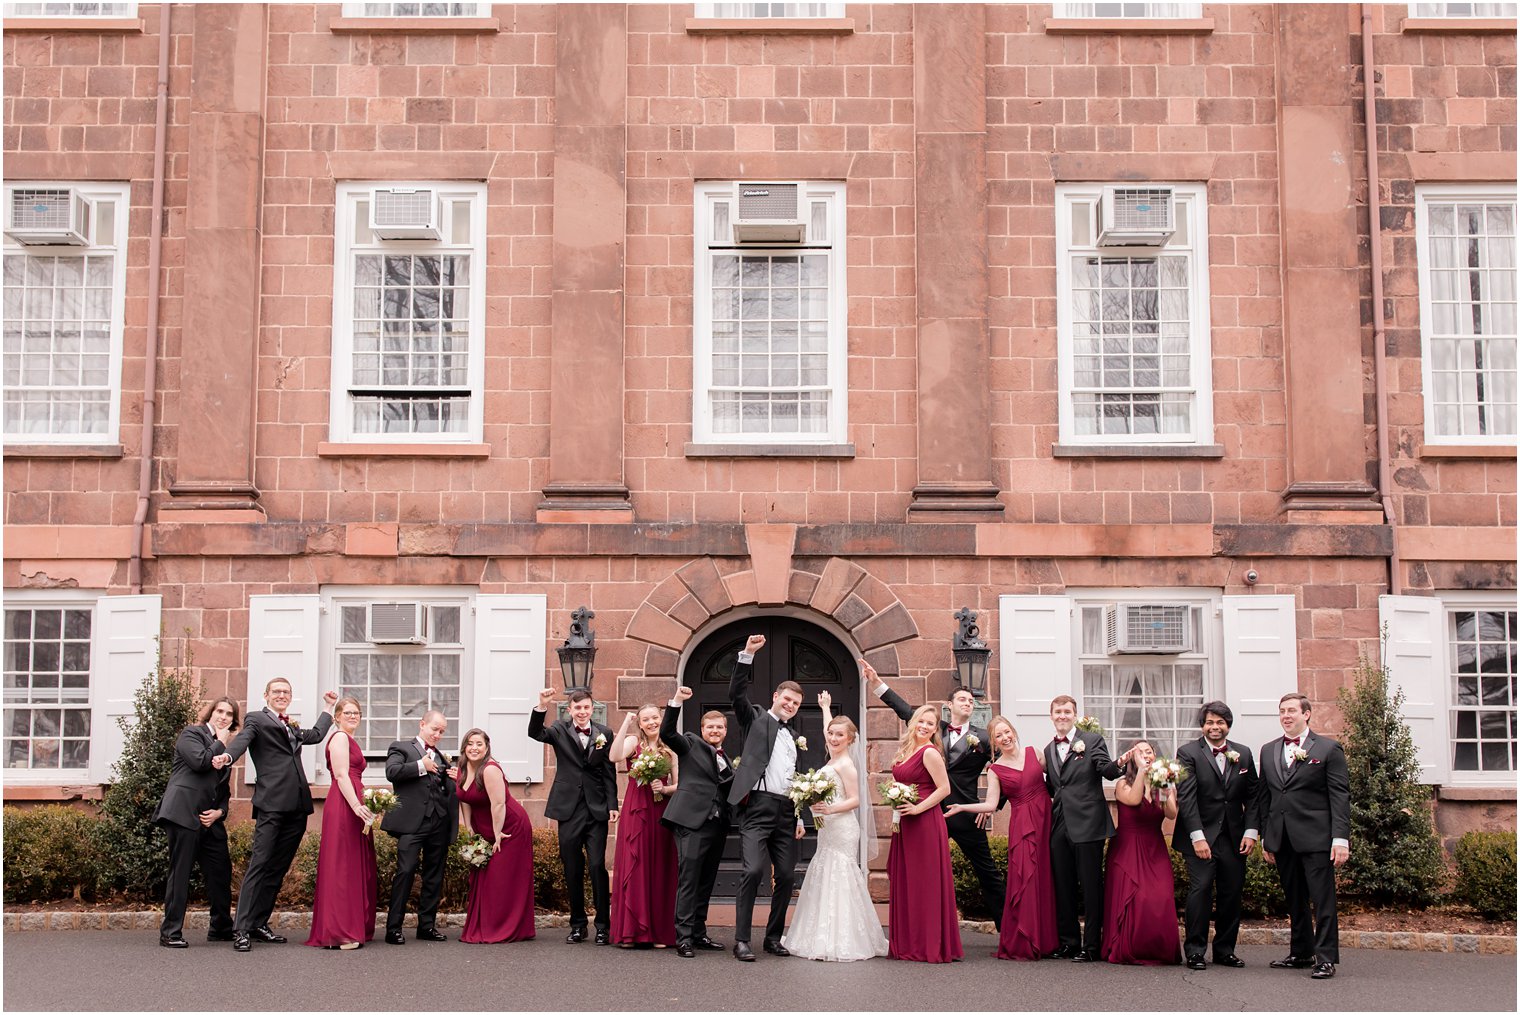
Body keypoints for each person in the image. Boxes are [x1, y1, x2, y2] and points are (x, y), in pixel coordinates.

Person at [869, 661, 1005, 929]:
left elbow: (1006, 769)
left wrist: (993, 805)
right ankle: (926, 929)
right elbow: (904, 708)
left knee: (987, 872)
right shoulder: (933, 727)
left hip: (965, 814)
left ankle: (1007, 931)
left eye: (970, 701)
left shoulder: (984, 738)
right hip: (929, 813)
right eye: (962, 699)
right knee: (925, 873)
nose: (967, 703)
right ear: (950, 705)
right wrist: (876, 684)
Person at [212, 680, 338, 952]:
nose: (282, 695)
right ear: (266, 695)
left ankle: (259, 923)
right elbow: (242, 741)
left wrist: (328, 707)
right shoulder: (257, 719)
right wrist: (227, 757)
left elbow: (316, 735)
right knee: (261, 864)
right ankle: (242, 929)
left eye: (286, 692)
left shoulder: (290, 725)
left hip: (297, 805)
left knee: (279, 868)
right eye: (277, 692)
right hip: (271, 803)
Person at [780, 690, 887, 962]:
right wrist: (825, 708)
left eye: (840, 735)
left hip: (842, 827)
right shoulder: (833, 755)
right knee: (824, 870)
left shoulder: (847, 765)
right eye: (831, 734)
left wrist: (828, 808)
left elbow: (855, 800)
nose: (833, 738)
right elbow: (830, 730)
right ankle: (819, 932)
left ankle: (843, 937)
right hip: (828, 828)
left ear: (850, 739)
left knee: (840, 873)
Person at [1254, 692, 1351, 980]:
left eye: (1292, 710)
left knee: (1322, 900)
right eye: (1282, 711)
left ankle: (1325, 958)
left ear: (1306, 714)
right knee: (1294, 899)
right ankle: (1300, 952)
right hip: (1282, 839)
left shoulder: (1328, 749)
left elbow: (1339, 796)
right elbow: (1264, 798)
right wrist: (1266, 837)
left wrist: (1340, 838)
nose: (1286, 715)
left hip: (1317, 838)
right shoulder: (1268, 750)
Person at [946, 716, 1056, 961]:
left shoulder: (1035, 753)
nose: (1004, 738)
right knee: (1026, 878)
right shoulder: (995, 770)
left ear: (1014, 731)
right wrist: (963, 807)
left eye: (1007, 732)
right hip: (1023, 826)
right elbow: (991, 803)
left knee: (1046, 877)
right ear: (993, 743)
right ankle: (1027, 939)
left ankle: (1049, 940)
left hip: (1046, 819)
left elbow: (1057, 781)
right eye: (998, 736)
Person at [726, 632, 806, 962]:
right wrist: (747, 653)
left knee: (786, 876)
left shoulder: (795, 736)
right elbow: (736, 694)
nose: (790, 705)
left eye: (796, 703)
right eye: (786, 699)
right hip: (757, 808)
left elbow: (795, 779)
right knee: (752, 871)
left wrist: (800, 815)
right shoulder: (756, 718)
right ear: (776, 696)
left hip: (786, 812)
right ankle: (742, 940)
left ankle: (773, 937)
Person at [528, 686, 620, 945]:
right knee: (572, 868)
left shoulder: (605, 734)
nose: (582, 712)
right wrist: (541, 706)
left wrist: (612, 803)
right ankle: (578, 925)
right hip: (568, 809)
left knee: (596, 866)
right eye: (577, 708)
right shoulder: (558, 729)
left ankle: (603, 926)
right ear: (570, 710)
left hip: (596, 809)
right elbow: (535, 733)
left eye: (586, 707)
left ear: (593, 709)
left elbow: (608, 772)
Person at [1173, 701, 1260, 970]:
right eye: (1210, 722)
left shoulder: (1243, 754)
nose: (1215, 727)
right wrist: (1197, 837)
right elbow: (1186, 798)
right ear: (1203, 726)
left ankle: (1225, 950)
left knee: (1231, 893)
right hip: (1200, 836)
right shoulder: (1187, 753)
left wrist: (1251, 831)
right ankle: (1196, 951)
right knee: (1200, 892)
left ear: (1228, 726)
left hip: (1234, 837)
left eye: (1220, 722)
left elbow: (1254, 795)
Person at [153, 696, 238, 948]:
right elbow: (200, 762)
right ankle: (170, 932)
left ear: (234, 721)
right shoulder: (191, 734)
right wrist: (221, 741)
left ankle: (221, 927)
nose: (223, 716)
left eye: (229, 714)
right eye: (219, 711)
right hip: (182, 813)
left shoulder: (225, 752)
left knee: (221, 870)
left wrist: (219, 813)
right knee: (181, 872)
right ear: (210, 714)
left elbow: (223, 793)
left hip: (209, 820)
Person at [1044, 694, 1122, 962]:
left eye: (1067, 711)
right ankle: (1068, 942)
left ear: (1075, 715)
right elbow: (1053, 787)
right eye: (1058, 712)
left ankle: (1091, 946)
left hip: (1088, 824)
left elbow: (1107, 770)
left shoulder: (1092, 741)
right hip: (1059, 825)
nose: (1062, 716)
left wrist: (1121, 763)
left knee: (1090, 887)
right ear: (1051, 715)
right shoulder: (1048, 749)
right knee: (1063, 887)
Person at [659, 686, 734, 958]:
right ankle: (684, 938)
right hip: (691, 821)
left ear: (726, 731)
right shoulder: (690, 743)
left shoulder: (726, 758)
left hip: (717, 824)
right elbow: (667, 733)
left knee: (706, 880)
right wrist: (676, 701)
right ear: (702, 729)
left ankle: (699, 933)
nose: (715, 731)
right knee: (689, 879)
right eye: (711, 727)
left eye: (720, 727)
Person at [886, 704, 963, 963]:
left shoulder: (930, 753)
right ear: (914, 722)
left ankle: (928, 943)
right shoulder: (906, 750)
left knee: (924, 883)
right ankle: (909, 940)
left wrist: (918, 808)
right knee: (907, 880)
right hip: (905, 822)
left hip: (925, 822)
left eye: (931, 724)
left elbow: (944, 789)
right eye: (922, 721)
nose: (925, 726)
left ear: (935, 729)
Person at [381, 710, 459, 945]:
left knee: (434, 876)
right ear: (422, 724)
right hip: (413, 823)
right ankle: (393, 928)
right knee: (405, 872)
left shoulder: (442, 757)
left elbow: (444, 789)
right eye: (434, 729)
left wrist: (453, 779)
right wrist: (420, 765)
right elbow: (391, 772)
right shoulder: (402, 748)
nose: (437, 734)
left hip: (439, 822)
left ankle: (427, 926)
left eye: (442, 731)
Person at [305, 696, 377, 950]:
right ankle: (340, 930)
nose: (353, 716)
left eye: (356, 712)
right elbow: (341, 774)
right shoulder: (339, 738)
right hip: (344, 803)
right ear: (336, 717)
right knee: (343, 864)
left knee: (355, 862)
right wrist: (356, 805)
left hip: (355, 799)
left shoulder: (350, 738)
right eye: (347, 712)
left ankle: (353, 925)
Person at [1102, 740, 1181, 966]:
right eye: (1140, 752)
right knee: (1135, 899)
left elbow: (1171, 814)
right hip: (1127, 847)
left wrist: (1167, 790)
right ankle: (1129, 946)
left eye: (1149, 752)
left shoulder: (1162, 782)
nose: (1145, 755)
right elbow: (1135, 799)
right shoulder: (1122, 785)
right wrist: (1143, 773)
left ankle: (1157, 948)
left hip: (1154, 846)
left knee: (1160, 896)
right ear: (1131, 758)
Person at [608, 703, 680, 948]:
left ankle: (658, 932)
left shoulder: (671, 749)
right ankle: (631, 932)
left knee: (658, 866)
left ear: (661, 719)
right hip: (635, 809)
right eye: (645, 720)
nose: (651, 723)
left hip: (660, 810)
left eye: (655, 718)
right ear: (640, 724)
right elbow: (614, 756)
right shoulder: (632, 743)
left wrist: (665, 788)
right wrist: (625, 724)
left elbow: (679, 785)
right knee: (634, 863)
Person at [456, 728, 535, 944]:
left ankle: (504, 928)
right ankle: (485, 924)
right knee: (483, 877)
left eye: (479, 744)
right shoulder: (462, 768)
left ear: (486, 747)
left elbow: (499, 803)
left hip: (508, 828)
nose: (474, 748)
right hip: (484, 827)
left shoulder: (490, 770)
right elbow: (464, 798)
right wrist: (469, 827)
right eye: (470, 743)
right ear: (464, 747)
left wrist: (498, 833)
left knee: (499, 878)